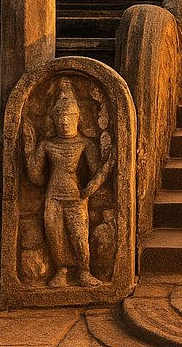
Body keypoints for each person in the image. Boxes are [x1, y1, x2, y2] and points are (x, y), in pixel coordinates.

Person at [21, 80, 113, 287]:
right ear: (53, 119)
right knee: (55, 236)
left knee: (78, 234)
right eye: (60, 117)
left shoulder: (84, 144)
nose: (64, 122)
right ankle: (61, 270)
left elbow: (96, 170)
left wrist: (91, 186)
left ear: (78, 119)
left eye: (69, 117)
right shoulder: (47, 144)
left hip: (76, 196)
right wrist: (28, 147)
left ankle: (84, 270)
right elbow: (36, 177)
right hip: (53, 195)